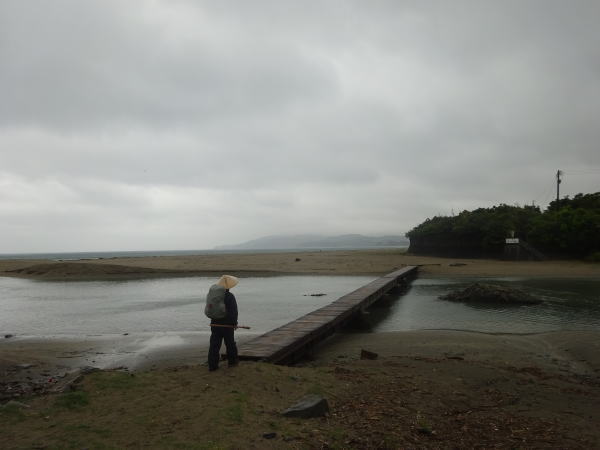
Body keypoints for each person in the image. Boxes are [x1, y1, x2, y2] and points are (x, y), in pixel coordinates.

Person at [207, 274, 239, 371]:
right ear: (229, 286)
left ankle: (212, 366)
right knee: (230, 343)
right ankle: (232, 363)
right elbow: (234, 312)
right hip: (227, 325)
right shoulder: (230, 296)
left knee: (214, 345)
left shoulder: (212, 295)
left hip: (214, 323)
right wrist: (234, 323)